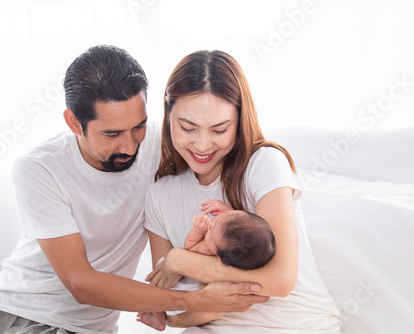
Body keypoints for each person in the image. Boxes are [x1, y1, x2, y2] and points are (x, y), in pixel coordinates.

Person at [0, 46, 268, 334]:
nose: (131, 146)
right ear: (73, 123)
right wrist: (191, 303)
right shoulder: (38, 168)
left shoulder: (167, 144)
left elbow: (226, 144)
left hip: (76, 327)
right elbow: (80, 282)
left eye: (139, 127)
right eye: (112, 134)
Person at [143, 50, 342, 333]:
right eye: (187, 128)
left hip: (294, 323)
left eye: (219, 129)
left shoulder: (264, 164)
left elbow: (281, 280)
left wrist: (180, 260)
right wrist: (195, 302)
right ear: (168, 118)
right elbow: (166, 305)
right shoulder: (160, 196)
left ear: (239, 121)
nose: (202, 145)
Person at [137, 200, 276, 331]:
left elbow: (189, 248)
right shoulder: (235, 246)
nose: (210, 223)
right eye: (218, 219)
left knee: (159, 286)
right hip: (201, 291)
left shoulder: (208, 249)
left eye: (210, 232)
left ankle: (158, 318)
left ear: (220, 259)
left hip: (186, 290)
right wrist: (227, 212)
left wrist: (197, 231)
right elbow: (238, 227)